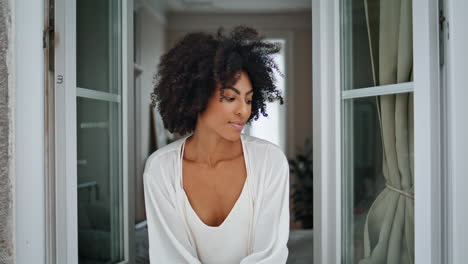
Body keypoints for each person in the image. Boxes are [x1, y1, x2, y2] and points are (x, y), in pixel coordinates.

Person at [143, 25, 290, 264]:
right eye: (231, 98)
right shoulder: (160, 169)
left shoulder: (269, 161)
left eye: (249, 99)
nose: (243, 111)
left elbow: (270, 255)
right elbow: (169, 257)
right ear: (197, 95)